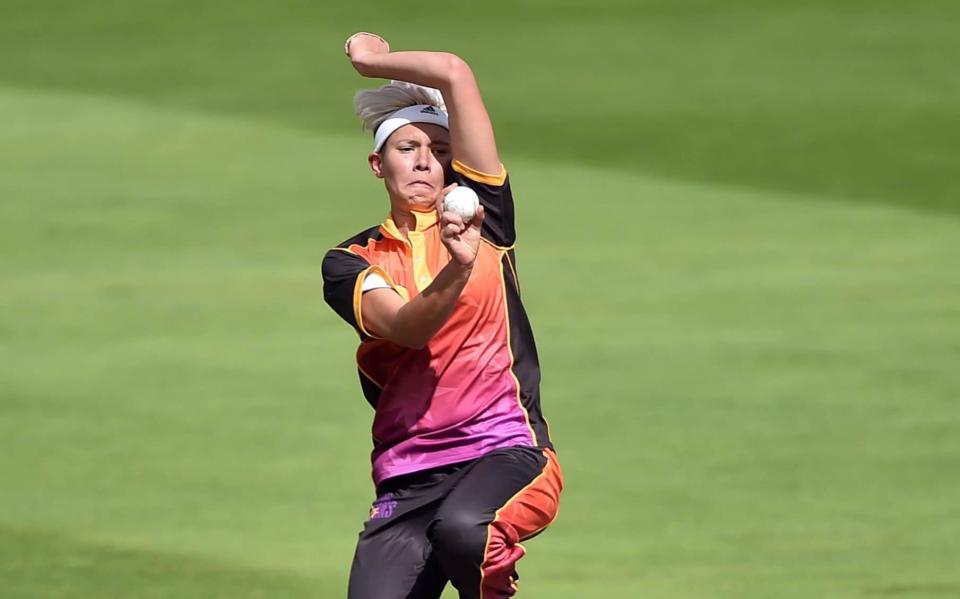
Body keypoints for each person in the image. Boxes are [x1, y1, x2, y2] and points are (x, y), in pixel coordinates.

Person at [322, 32, 563, 599]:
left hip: (504, 449)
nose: (427, 162)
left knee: (465, 530)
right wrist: (458, 267)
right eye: (409, 148)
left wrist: (373, 62)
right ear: (378, 163)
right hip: (407, 475)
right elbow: (407, 327)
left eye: (440, 150)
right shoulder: (349, 261)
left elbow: (454, 71)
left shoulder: (487, 222)